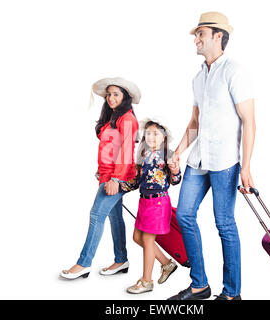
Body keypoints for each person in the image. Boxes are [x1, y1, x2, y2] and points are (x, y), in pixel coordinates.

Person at [168, 12, 256, 300]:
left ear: (218, 36)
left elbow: (249, 121)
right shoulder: (198, 76)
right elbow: (194, 121)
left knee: (224, 223)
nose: (196, 39)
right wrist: (178, 153)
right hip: (199, 160)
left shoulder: (234, 71)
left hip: (225, 161)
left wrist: (247, 166)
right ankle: (199, 285)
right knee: (184, 215)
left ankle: (232, 293)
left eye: (200, 34)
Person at [60, 77, 140, 279]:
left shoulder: (128, 119)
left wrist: (116, 179)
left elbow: (126, 151)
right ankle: (121, 260)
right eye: (109, 94)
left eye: (116, 94)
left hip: (118, 178)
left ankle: (84, 263)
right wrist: (103, 171)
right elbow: (108, 149)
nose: (111, 98)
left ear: (125, 97)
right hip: (106, 175)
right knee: (114, 217)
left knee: (96, 215)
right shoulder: (112, 118)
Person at [120, 117, 182, 294]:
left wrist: (175, 171)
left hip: (158, 202)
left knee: (148, 240)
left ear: (163, 136)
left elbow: (175, 180)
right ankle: (167, 263)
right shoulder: (143, 155)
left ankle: (147, 281)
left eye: (155, 133)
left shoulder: (168, 155)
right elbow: (136, 181)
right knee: (138, 238)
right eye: (148, 134)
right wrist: (120, 186)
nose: (151, 137)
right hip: (144, 202)